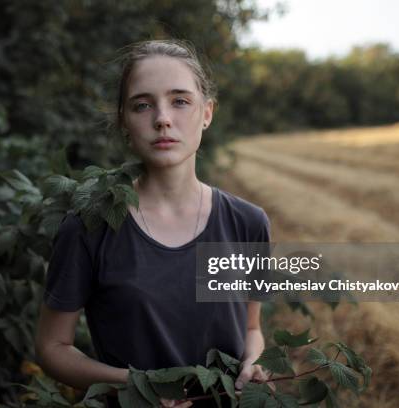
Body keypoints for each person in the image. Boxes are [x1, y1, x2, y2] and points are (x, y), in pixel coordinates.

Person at [35, 39, 271, 408]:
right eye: (142, 105)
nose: (162, 118)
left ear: (207, 113)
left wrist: (254, 364)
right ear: (124, 122)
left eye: (180, 101)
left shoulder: (247, 223)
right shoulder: (88, 227)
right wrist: (134, 385)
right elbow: (52, 348)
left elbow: (251, 329)